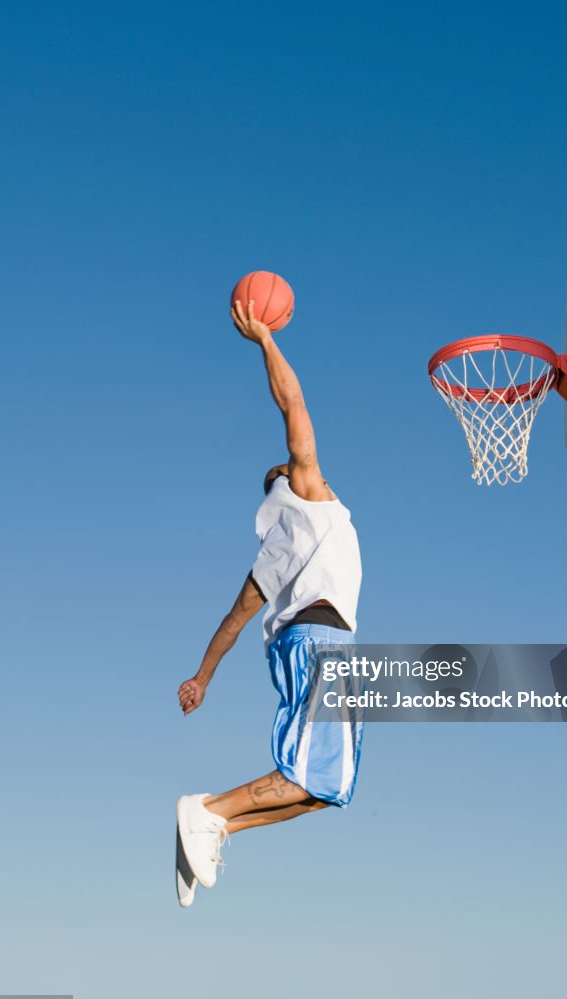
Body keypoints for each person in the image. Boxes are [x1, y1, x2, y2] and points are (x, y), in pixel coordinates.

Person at [175, 299, 363, 907]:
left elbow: (234, 624)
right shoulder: (308, 498)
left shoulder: (274, 551)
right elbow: (294, 404)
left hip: (304, 646)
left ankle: (215, 824)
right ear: (289, 478)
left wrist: (202, 678)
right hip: (324, 645)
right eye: (299, 464)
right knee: (312, 778)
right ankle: (206, 810)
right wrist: (265, 340)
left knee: (324, 790)